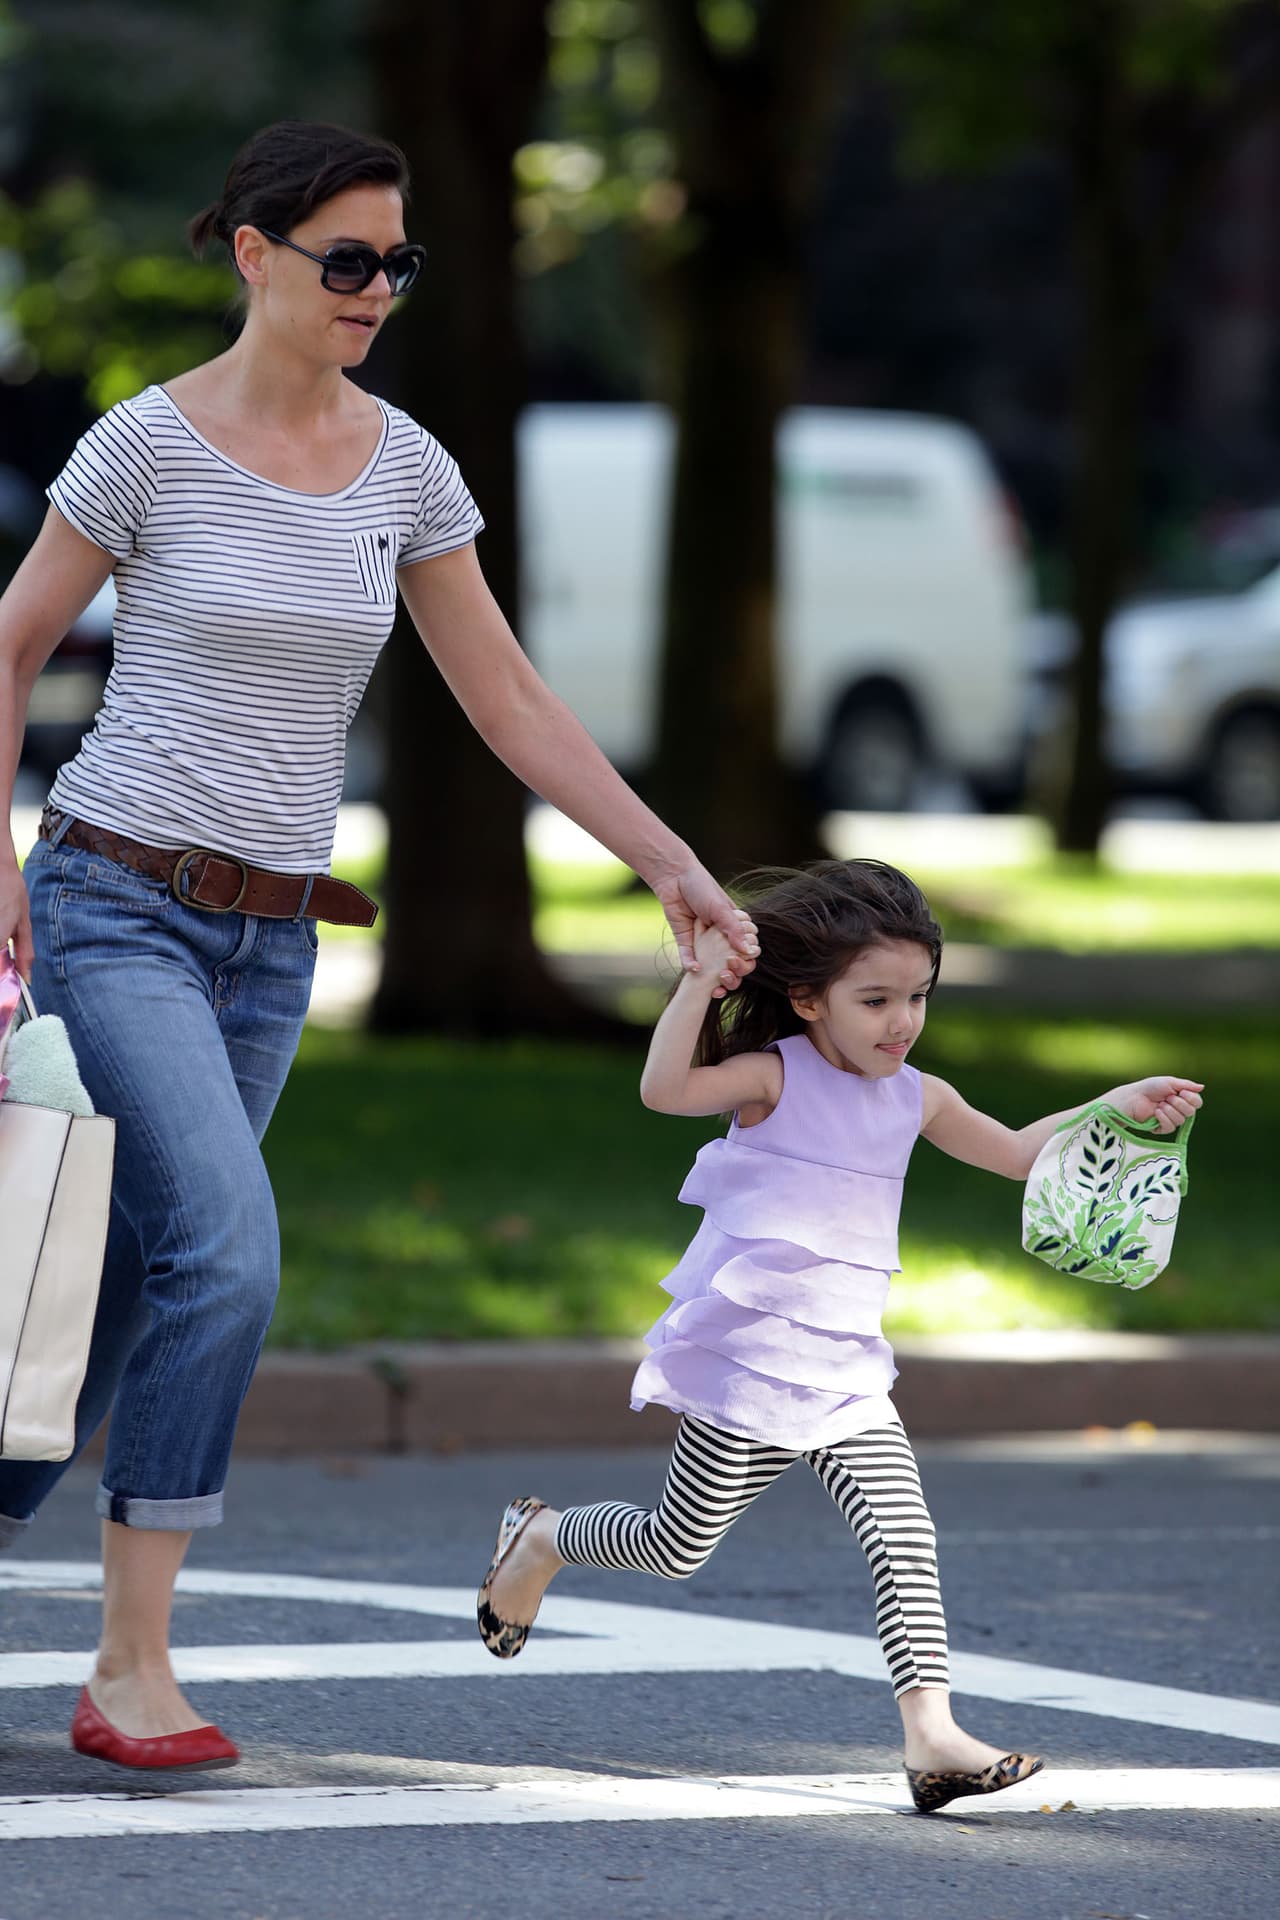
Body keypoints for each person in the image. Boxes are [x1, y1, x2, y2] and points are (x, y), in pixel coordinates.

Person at [0, 120, 758, 1772]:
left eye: (397, 263)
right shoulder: (145, 444)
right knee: (232, 1258)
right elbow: (9, 647)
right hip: (112, 904)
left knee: (121, 1302)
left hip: (272, 948)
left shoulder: (407, 466)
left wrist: (672, 868)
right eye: (345, 259)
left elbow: (509, 701)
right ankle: (132, 1671)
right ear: (253, 254)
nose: (376, 290)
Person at [475, 858, 1203, 1815]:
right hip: (752, 1361)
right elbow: (663, 1090)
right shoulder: (775, 1078)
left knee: (903, 1534)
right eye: (876, 1000)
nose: (902, 1021)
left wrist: (1120, 1105)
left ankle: (932, 1738)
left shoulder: (918, 1097)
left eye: (917, 998)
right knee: (676, 1544)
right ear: (811, 1000)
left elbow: (1022, 1153)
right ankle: (541, 1537)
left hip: (847, 1368)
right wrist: (699, 980)